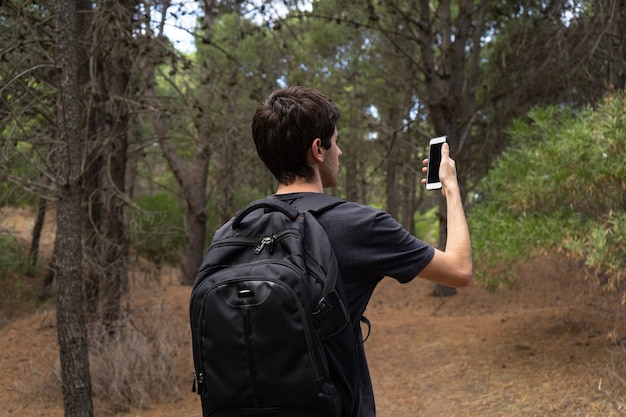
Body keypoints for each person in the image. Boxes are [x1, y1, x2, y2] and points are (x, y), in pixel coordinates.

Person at [250, 86, 472, 417]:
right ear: (317, 150)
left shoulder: (234, 231)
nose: (339, 153)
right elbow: (459, 270)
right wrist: (452, 190)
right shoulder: (357, 226)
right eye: (335, 142)